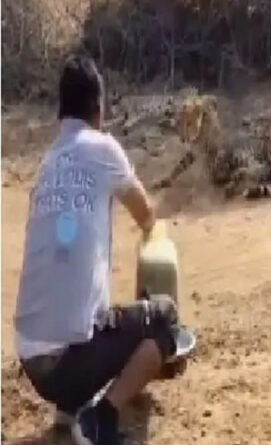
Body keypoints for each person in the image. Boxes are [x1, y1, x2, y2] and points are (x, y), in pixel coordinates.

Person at [14, 54, 179, 445]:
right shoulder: (103, 149)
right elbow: (146, 213)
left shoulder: (47, 163)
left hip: (31, 359)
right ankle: (100, 418)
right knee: (164, 321)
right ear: (99, 108)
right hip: (69, 362)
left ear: (61, 111)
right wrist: (153, 235)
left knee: (82, 299)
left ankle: (69, 408)